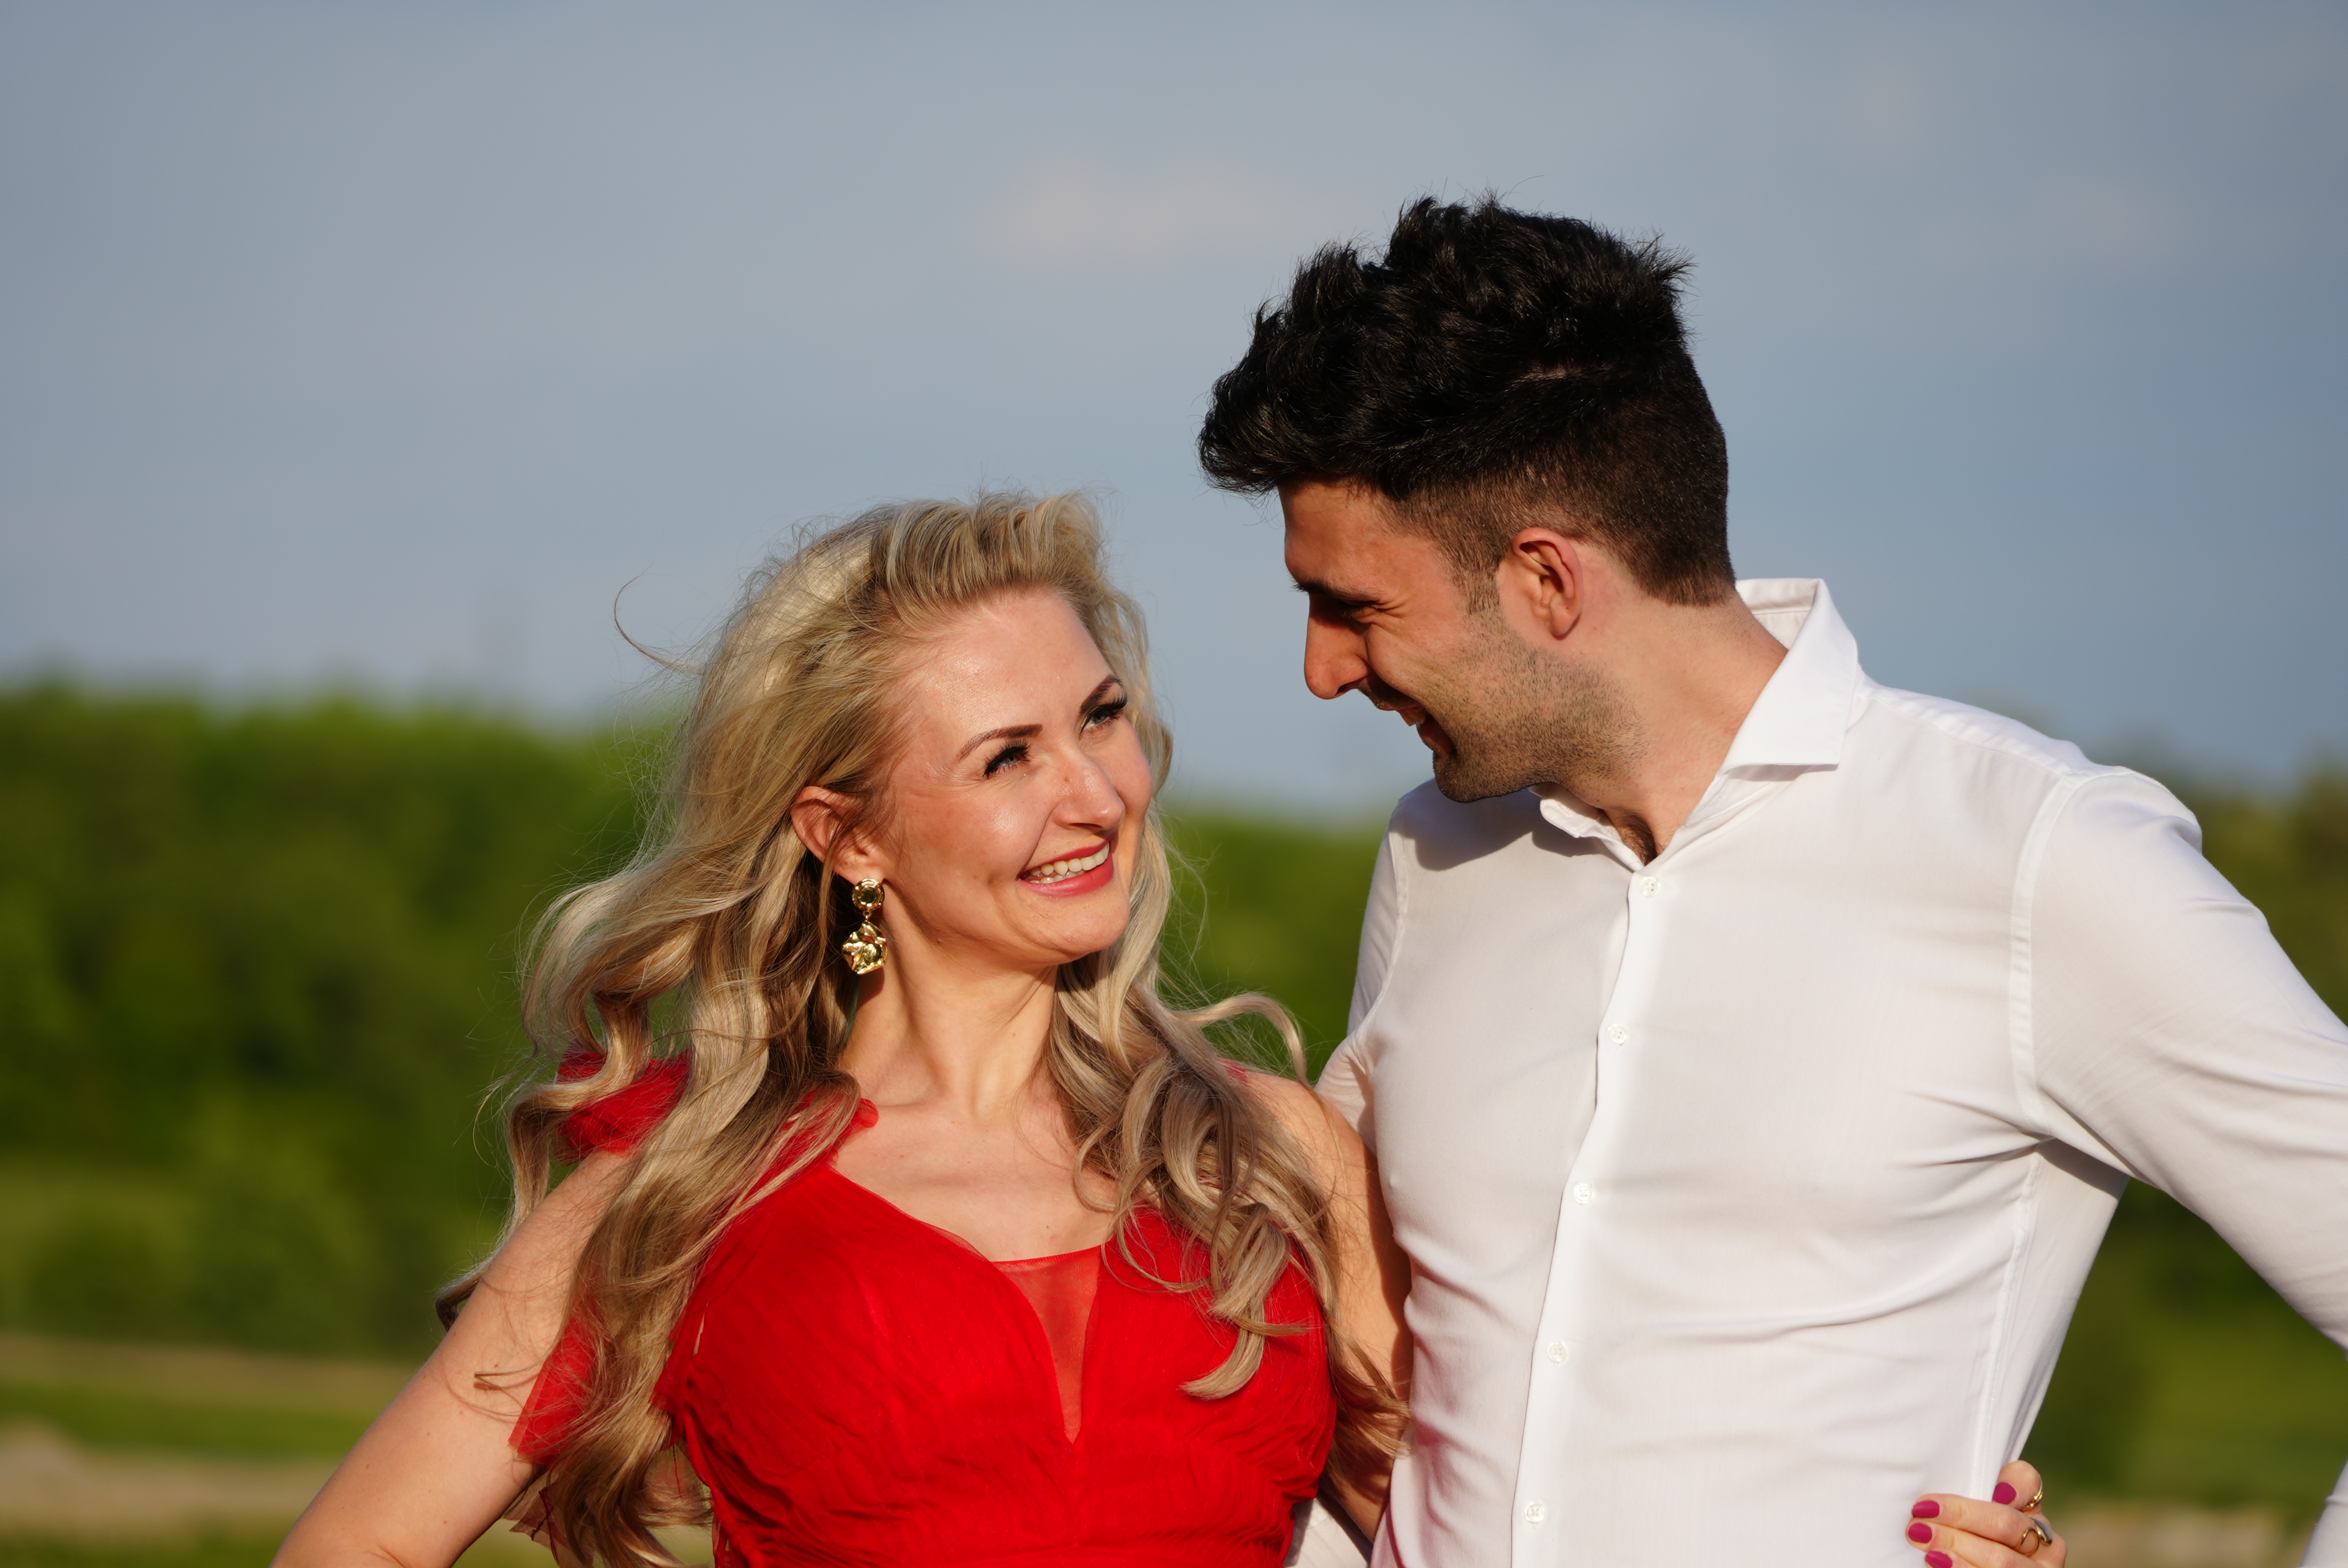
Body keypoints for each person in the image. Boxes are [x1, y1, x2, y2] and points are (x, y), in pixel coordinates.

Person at [1198, 196, 2348, 1568]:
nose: (1321, 670)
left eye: (1354, 607)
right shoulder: (1432, 856)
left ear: (1547, 581)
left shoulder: (2044, 860)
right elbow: (1378, 1391)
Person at [272, 494, 1409, 1568]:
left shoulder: (1272, 1157)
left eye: (1099, 719)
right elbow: (357, 1545)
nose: (1098, 797)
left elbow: (1454, 1531)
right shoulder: (684, 1193)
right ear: (849, 837)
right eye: (1007, 757)